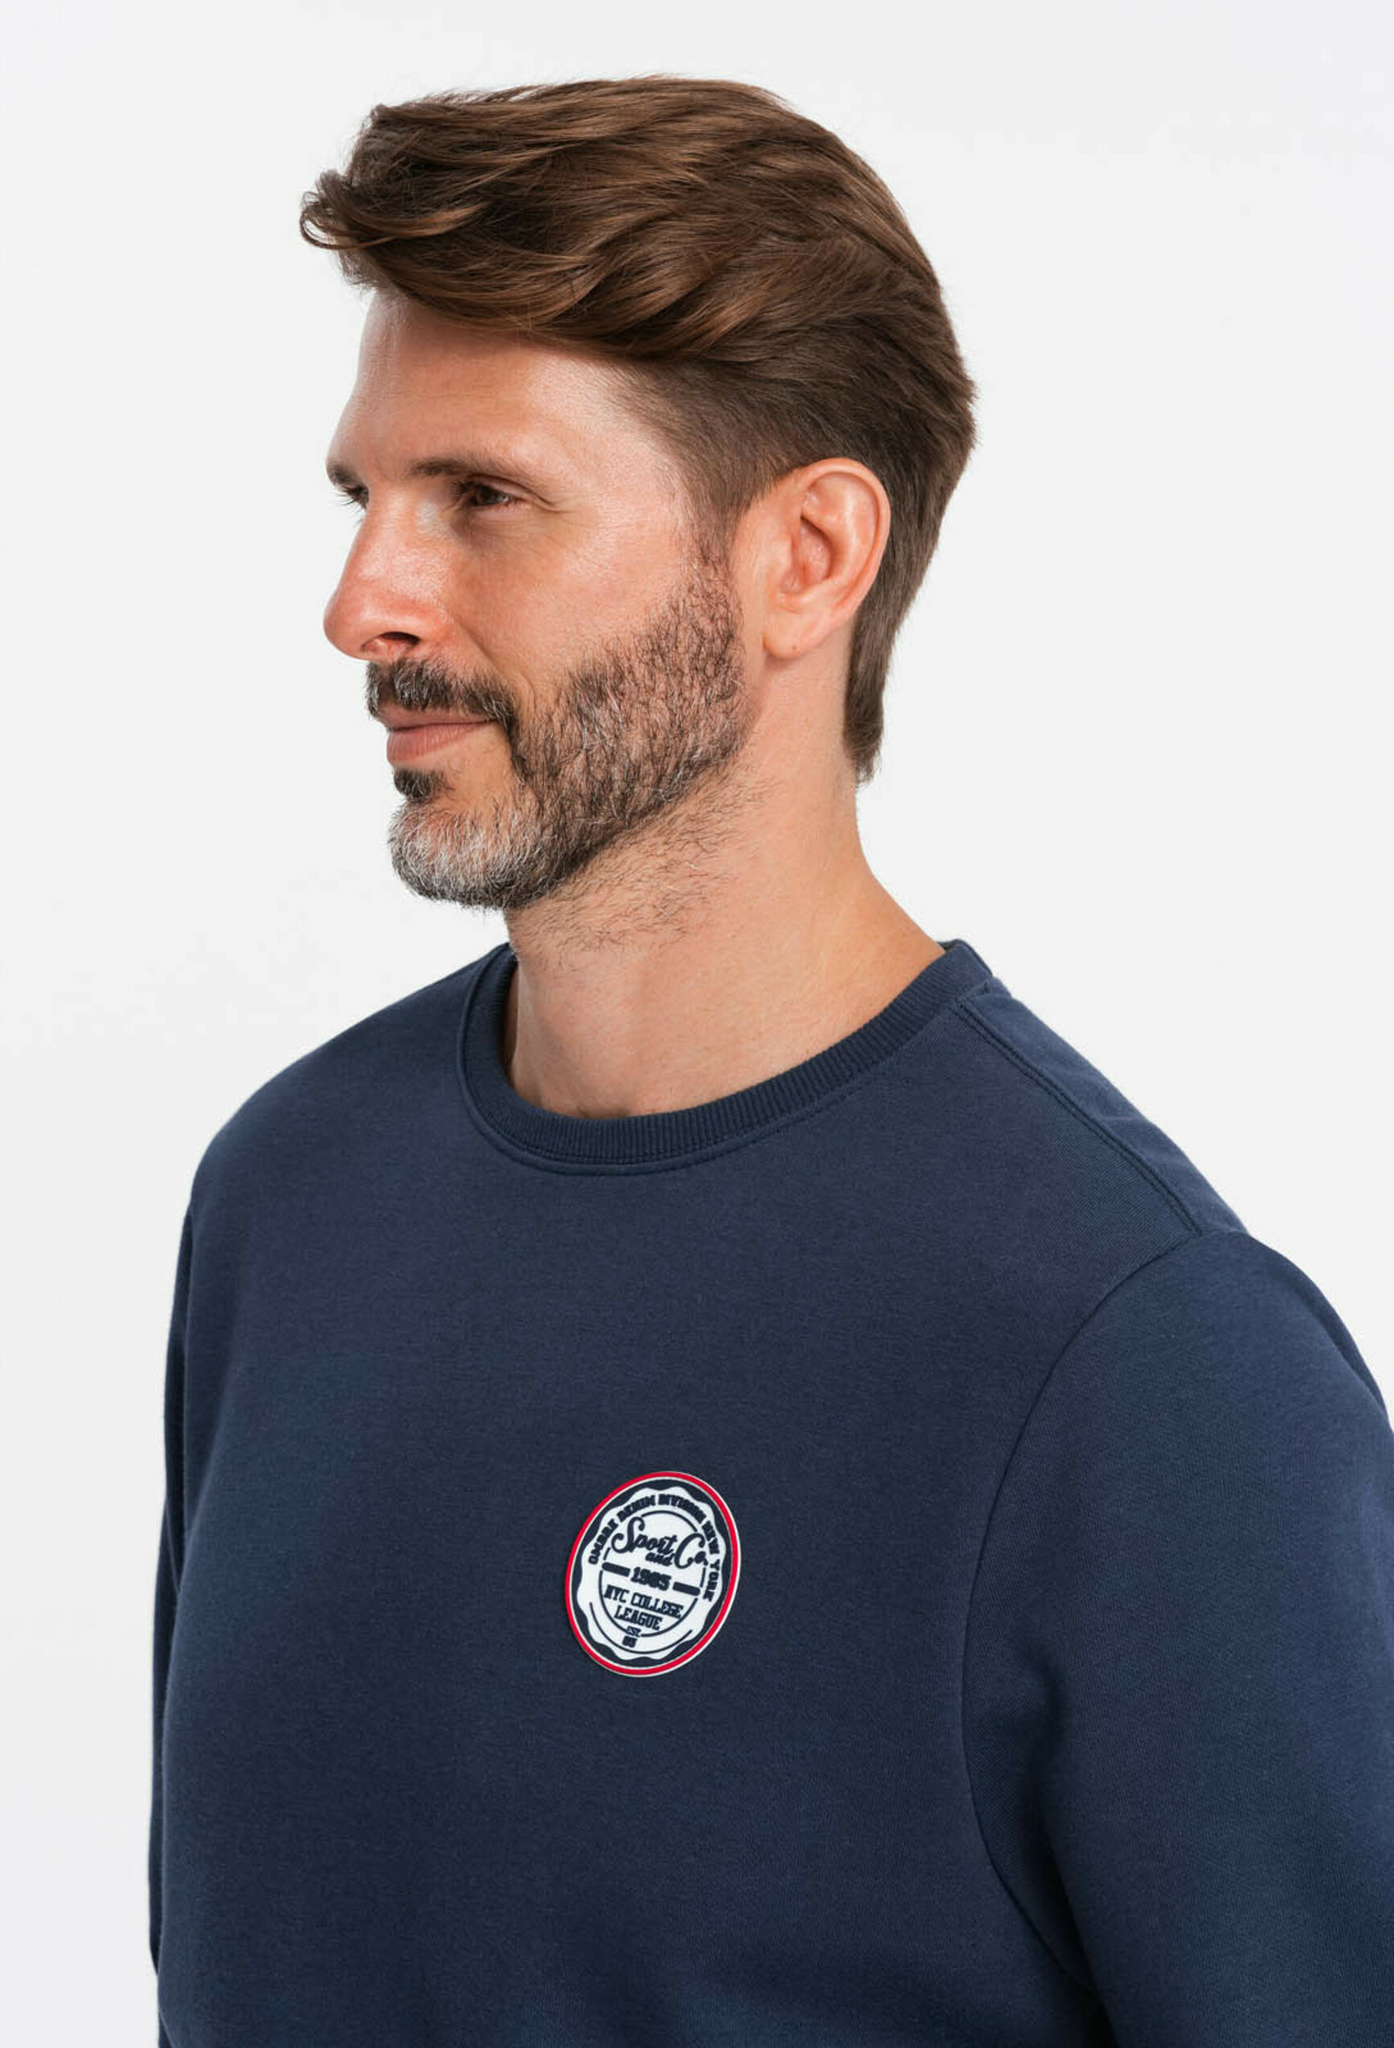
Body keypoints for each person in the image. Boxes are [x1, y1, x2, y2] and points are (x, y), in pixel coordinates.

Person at [148, 75, 1394, 2047]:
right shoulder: (289, 1200)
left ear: (807, 555)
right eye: (362, 499)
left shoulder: (1143, 1361)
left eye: (484, 498)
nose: (363, 602)